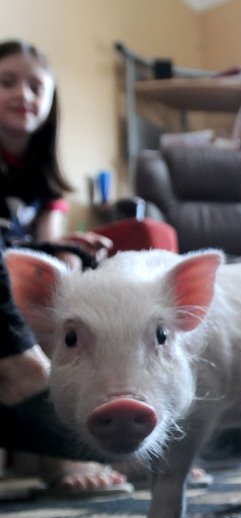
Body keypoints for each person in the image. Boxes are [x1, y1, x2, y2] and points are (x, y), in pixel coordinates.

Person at [0, 38, 130, 494]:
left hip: (12, 276)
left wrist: (68, 250)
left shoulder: (44, 181)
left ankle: (92, 413)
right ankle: (30, 388)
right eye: (7, 82)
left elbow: (44, 251)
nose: (24, 95)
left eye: (37, 86)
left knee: (75, 262)